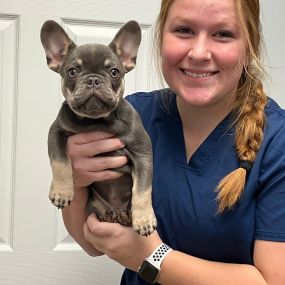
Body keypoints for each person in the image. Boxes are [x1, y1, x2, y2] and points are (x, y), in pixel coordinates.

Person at [62, 0, 285, 284]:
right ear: (161, 38)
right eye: (183, 30)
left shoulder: (277, 141)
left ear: (249, 46)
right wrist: (76, 180)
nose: (199, 52)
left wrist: (151, 256)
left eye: (223, 34)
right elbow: (91, 243)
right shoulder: (131, 116)